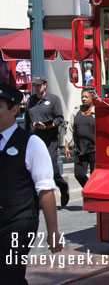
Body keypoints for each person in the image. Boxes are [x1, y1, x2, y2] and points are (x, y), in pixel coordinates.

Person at [0, 84, 63, 283]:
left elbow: (45, 189)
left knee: (9, 275)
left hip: (19, 221)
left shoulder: (31, 143)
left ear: (14, 110)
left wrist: (52, 231)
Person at [24, 75, 69, 207]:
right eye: (34, 85)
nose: (36, 88)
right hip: (34, 139)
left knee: (52, 170)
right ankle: (38, 200)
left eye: (38, 85)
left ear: (45, 85)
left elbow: (59, 119)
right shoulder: (30, 101)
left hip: (50, 140)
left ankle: (62, 186)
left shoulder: (53, 100)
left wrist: (47, 126)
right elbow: (27, 121)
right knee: (34, 170)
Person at [64, 90, 95, 188]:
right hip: (80, 148)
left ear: (92, 98)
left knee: (95, 176)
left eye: (86, 97)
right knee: (79, 174)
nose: (83, 99)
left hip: (94, 149)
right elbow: (70, 128)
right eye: (82, 97)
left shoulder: (96, 112)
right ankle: (89, 189)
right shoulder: (76, 111)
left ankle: (93, 196)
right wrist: (66, 145)